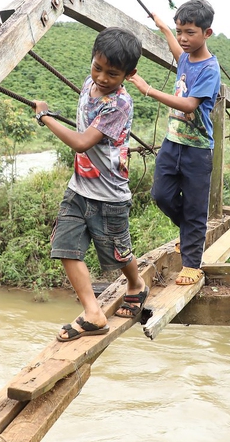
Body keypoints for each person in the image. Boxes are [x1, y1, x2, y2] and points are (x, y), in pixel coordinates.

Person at [33, 26, 150, 342]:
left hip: (109, 195)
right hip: (78, 188)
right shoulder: (90, 83)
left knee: (119, 254)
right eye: (97, 67)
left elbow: (83, 142)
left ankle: (137, 285)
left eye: (112, 74)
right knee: (65, 247)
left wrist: (45, 117)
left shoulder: (119, 104)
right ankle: (93, 313)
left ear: (128, 74)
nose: (101, 78)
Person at [128, 0, 221, 286]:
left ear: (207, 33)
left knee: (194, 207)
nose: (183, 38)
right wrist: (163, 27)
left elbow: (190, 105)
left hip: (197, 149)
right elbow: (175, 49)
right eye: (180, 30)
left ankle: (192, 263)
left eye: (190, 32)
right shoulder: (185, 57)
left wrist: (148, 90)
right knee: (161, 196)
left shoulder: (210, 69)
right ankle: (191, 235)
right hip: (172, 143)